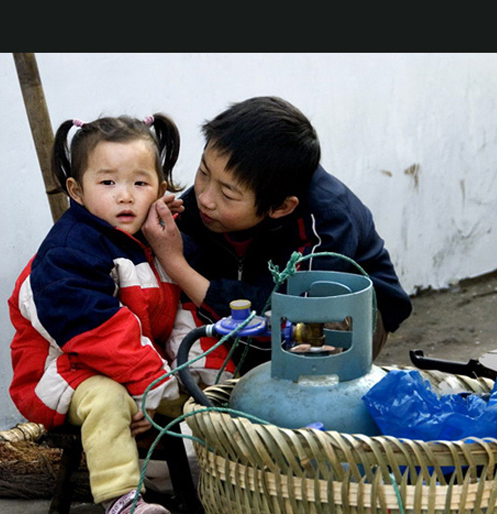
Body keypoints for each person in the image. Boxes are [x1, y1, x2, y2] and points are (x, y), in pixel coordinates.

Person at [7, 113, 203, 514]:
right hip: (63, 370)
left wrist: (194, 367)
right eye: (108, 183)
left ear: (161, 187)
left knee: (196, 381)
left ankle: (193, 473)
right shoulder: (68, 252)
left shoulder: (153, 241)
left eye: (139, 182)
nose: (125, 196)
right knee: (109, 399)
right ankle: (122, 503)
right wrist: (151, 385)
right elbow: (98, 333)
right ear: (76, 191)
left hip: (130, 365)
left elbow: (178, 314)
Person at [143, 95, 413, 374]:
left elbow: (289, 314)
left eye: (227, 193)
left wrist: (176, 263)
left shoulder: (327, 221)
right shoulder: (205, 202)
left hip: (346, 315)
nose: (206, 199)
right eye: (203, 172)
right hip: (249, 300)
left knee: (311, 340)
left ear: (282, 207)